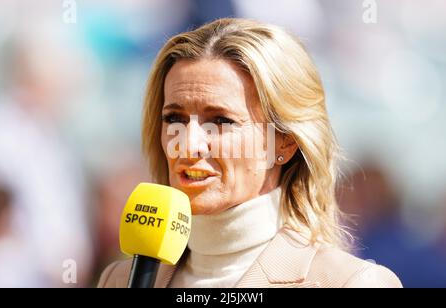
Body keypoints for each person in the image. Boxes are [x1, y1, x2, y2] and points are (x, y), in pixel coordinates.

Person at [98, 18, 402, 288]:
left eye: (220, 121)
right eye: (174, 119)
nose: (188, 145)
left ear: (283, 142)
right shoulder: (120, 280)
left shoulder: (350, 282)